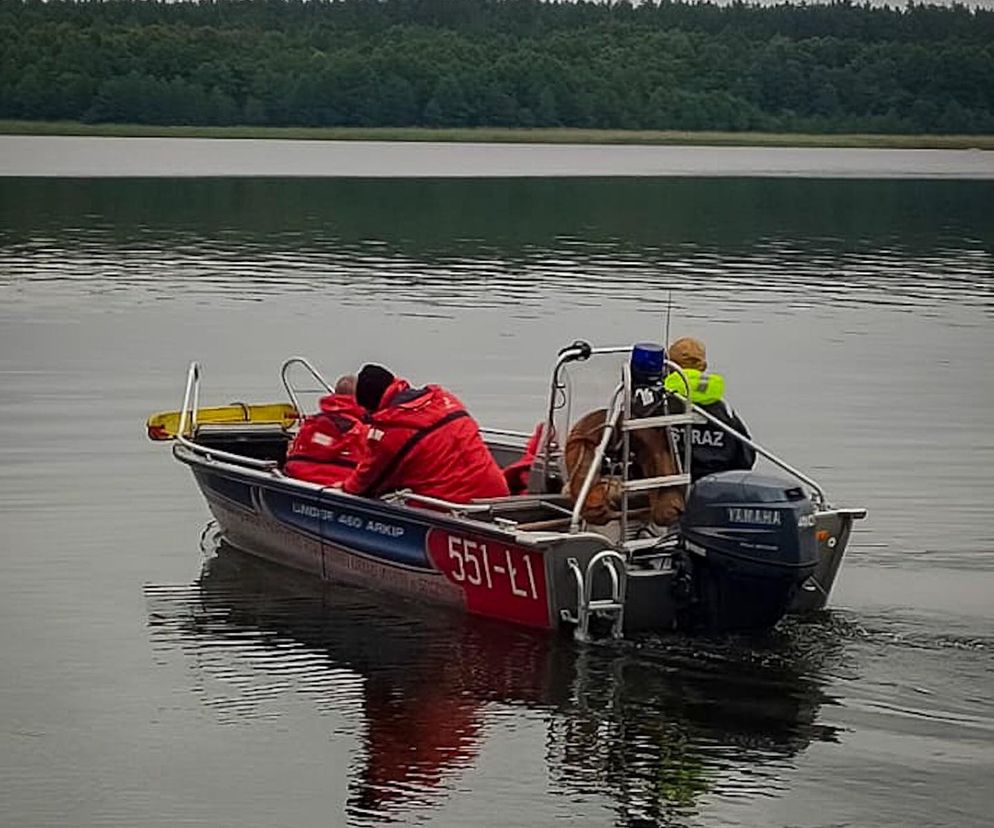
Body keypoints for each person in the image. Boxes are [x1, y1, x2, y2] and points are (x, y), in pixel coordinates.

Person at [340, 364, 510, 502]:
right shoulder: (444, 399)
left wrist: (340, 487)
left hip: (457, 507)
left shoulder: (391, 431)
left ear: (370, 406)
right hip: (498, 494)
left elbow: (361, 486)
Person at [664, 337, 755, 480]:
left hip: (670, 487)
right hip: (716, 485)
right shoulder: (725, 411)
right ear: (703, 366)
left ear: (669, 367)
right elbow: (746, 457)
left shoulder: (660, 405)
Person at [284, 374, 368, 486]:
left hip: (298, 479)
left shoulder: (310, 423)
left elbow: (292, 453)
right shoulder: (364, 430)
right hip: (339, 485)